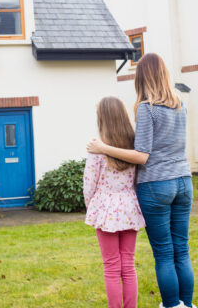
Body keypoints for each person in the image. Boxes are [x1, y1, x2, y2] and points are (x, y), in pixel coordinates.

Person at [87, 53, 195, 308]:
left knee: (165, 252)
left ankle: (171, 305)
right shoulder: (180, 105)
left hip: (157, 185)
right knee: (182, 248)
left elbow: (142, 156)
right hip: (184, 182)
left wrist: (104, 148)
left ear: (142, 78)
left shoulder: (147, 108)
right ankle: (186, 305)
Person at [84, 96, 145, 308]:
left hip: (106, 209)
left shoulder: (97, 148)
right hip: (129, 207)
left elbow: (89, 183)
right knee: (128, 264)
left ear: (102, 118)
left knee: (111, 266)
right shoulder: (134, 146)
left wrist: (90, 205)